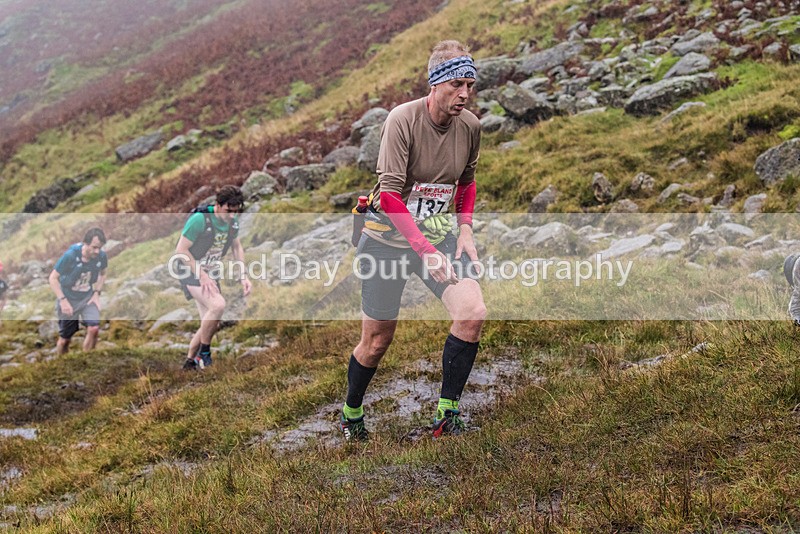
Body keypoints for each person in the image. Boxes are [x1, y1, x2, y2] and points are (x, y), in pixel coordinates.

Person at [340, 40, 486, 441]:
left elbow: (467, 184)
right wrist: (423, 250)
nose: (464, 94)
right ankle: (352, 412)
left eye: (470, 85)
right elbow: (388, 195)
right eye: (456, 84)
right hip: (388, 241)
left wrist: (466, 230)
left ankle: (446, 415)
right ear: (435, 84)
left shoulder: (470, 127)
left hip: (436, 237)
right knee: (376, 340)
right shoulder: (401, 120)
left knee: (471, 312)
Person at [174, 185, 252, 370]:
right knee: (218, 305)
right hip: (190, 270)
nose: (232, 215)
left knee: (209, 323)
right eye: (228, 211)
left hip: (211, 272)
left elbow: (236, 247)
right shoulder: (200, 220)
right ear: (218, 204)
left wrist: (243, 276)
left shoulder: (232, 222)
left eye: (236, 211)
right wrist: (201, 275)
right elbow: (181, 250)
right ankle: (204, 354)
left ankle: (189, 362)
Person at [48, 228, 108, 355]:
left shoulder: (101, 257)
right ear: (85, 243)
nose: (97, 251)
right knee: (65, 339)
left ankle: (87, 359)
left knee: (94, 328)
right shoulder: (70, 256)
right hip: (68, 298)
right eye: (94, 247)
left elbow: (103, 274)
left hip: (87, 297)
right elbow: (52, 278)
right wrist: (63, 301)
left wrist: (96, 293)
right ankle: (61, 364)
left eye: (100, 248)